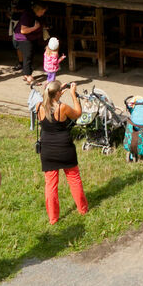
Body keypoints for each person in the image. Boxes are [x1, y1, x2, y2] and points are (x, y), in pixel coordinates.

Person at [35, 80, 89, 225]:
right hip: (64, 147)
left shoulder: (38, 106)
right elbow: (78, 114)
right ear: (58, 93)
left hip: (47, 148)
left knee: (51, 184)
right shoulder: (62, 108)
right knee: (73, 178)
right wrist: (73, 94)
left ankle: (53, 218)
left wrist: (56, 93)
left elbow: (49, 102)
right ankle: (82, 209)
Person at [16, 1, 49, 84]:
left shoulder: (34, 14)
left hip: (31, 38)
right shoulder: (27, 15)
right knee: (28, 57)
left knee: (29, 56)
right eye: (42, 12)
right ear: (37, 10)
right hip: (24, 38)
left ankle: (26, 75)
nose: (42, 14)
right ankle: (29, 77)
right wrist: (35, 27)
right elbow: (23, 30)